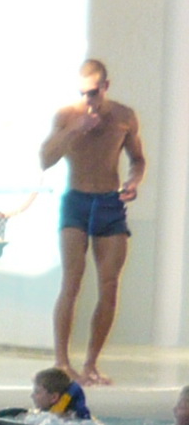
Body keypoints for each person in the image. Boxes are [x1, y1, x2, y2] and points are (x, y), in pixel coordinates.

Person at [42, 57, 145, 387]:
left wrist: (133, 182)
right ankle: (61, 362)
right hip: (77, 201)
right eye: (83, 93)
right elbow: (45, 159)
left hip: (109, 203)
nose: (88, 100)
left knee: (109, 285)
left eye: (93, 93)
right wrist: (74, 130)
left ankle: (91, 364)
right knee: (72, 281)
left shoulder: (124, 117)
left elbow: (138, 160)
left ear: (106, 87)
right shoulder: (67, 116)